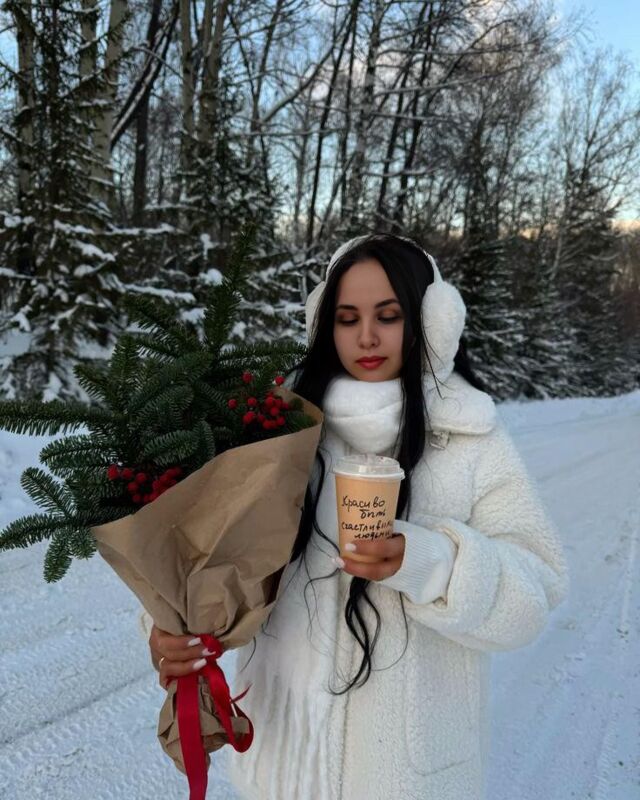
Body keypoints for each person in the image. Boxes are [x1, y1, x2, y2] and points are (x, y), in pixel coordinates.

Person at [141, 233, 570, 800]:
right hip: (281, 762)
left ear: (430, 322)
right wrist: (170, 628)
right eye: (347, 319)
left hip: (405, 778)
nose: (366, 336)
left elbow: (535, 593)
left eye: (388, 316)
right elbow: (204, 557)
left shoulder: (471, 439)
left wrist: (430, 564)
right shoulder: (277, 429)